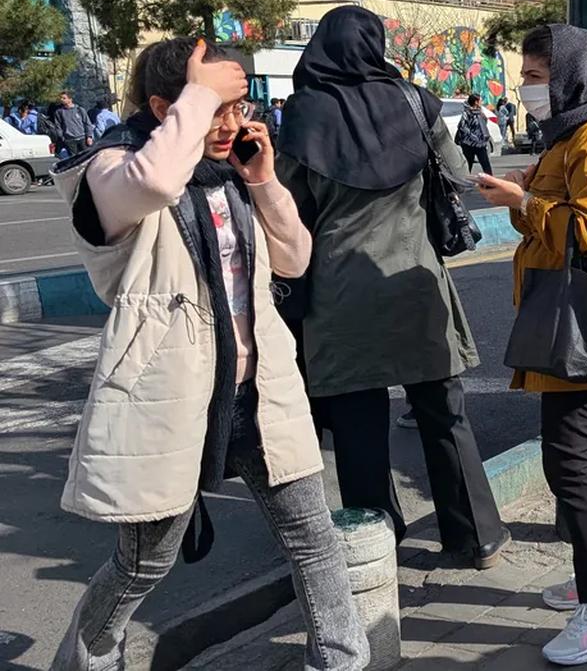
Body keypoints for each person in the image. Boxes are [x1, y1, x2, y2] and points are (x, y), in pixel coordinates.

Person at [48, 37, 368, 670]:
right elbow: (155, 180)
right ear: (165, 108)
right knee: (144, 564)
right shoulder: (109, 171)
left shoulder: (232, 175)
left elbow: (295, 259)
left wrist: (265, 181)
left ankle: (342, 661)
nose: (230, 124)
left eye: (238, 107)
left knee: (314, 538)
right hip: (174, 397)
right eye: (216, 108)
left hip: (260, 388)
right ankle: (83, 663)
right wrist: (199, 98)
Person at [276, 5, 510, 567]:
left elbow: (284, 206)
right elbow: (458, 175)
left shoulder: (304, 114)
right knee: (443, 411)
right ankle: (476, 535)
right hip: (414, 280)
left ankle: (376, 545)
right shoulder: (415, 101)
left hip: (339, 290)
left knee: (357, 426)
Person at [474, 24, 587, 666]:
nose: (527, 87)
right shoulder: (572, 135)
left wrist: (525, 199)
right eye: (525, 75)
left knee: (572, 462)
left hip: (586, 328)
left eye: (537, 76)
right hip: (580, 324)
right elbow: (567, 215)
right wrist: (531, 194)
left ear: (572, 75)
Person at [455, 93, 493, 175]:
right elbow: (462, 126)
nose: (481, 102)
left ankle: (491, 181)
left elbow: (483, 125)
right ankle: (465, 181)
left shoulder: (480, 112)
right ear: (476, 102)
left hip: (481, 144)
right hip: (469, 144)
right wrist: (473, 136)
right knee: (468, 165)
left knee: (486, 165)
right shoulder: (467, 113)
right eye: (480, 100)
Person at [53, 90, 94, 155]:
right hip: (70, 141)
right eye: (61, 98)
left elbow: (87, 123)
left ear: (70, 99)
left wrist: (89, 136)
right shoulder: (59, 112)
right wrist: (62, 137)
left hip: (82, 139)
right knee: (74, 158)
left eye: (64, 98)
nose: (61, 100)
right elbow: (58, 126)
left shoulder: (79, 110)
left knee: (86, 157)